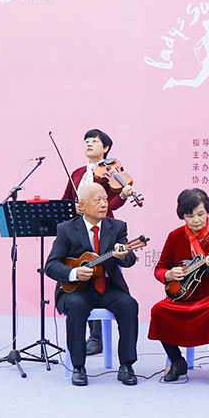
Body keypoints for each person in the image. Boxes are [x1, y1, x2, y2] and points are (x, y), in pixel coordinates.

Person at [44, 183, 140, 387]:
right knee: (77, 306)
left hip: (109, 288)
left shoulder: (117, 227)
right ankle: (78, 367)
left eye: (105, 199)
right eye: (98, 200)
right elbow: (51, 265)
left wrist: (124, 255)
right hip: (77, 290)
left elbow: (130, 260)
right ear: (82, 205)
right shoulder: (66, 229)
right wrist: (74, 273)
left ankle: (126, 366)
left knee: (129, 305)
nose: (104, 204)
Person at [150, 189, 209, 386]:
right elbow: (159, 269)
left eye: (201, 214)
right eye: (190, 216)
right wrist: (169, 274)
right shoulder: (174, 236)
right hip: (185, 293)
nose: (196, 220)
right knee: (158, 310)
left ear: (207, 212)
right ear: (182, 215)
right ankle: (177, 361)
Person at [60, 129, 133, 356]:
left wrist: (122, 196)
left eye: (94, 141)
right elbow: (66, 200)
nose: (89, 144)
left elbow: (109, 204)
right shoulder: (77, 173)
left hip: (103, 231)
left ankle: (97, 337)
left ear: (106, 148)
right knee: (83, 277)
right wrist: (74, 208)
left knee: (102, 277)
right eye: (86, 141)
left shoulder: (111, 173)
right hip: (79, 230)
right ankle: (92, 336)